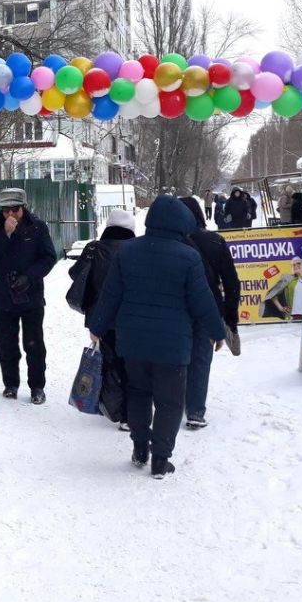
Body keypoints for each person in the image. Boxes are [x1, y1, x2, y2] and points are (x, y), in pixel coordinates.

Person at [89, 195, 225, 479]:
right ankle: (160, 459)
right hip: (173, 346)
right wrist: (216, 331)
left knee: (138, 393)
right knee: (170, 402)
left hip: (133, 342)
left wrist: (97, 325)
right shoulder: (189, 257)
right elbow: (202, 301)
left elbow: (111, 294)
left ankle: (140, 448)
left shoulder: (128, 251)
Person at [0, 187, 58, 403]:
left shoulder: (37, 227)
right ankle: (10, 384)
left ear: (23, 208)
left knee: (34, 344)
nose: (11, 214)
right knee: (5, 343)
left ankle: (37, 387)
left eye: (15, 210)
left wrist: (29, 277)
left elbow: (48, 257)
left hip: (30, 295)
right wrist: (5, 234)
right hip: (3, 295)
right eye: (6, 210)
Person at [69, 208, 136, 428]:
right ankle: (128, 414)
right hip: (131, 317)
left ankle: (111, 405)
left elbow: (75, 273)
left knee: (110, 362)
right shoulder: (137, 249)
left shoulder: (94, 249)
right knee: (131, 364)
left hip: (101, 318)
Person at [180, 196, 242, 429]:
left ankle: (173, 402)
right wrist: (230, 318)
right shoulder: (215, 241)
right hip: (209, 308)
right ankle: (195, 410)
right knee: (200, 359)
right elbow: (231, 282)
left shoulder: (173, 242)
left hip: (179, 308)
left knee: (176, 357)